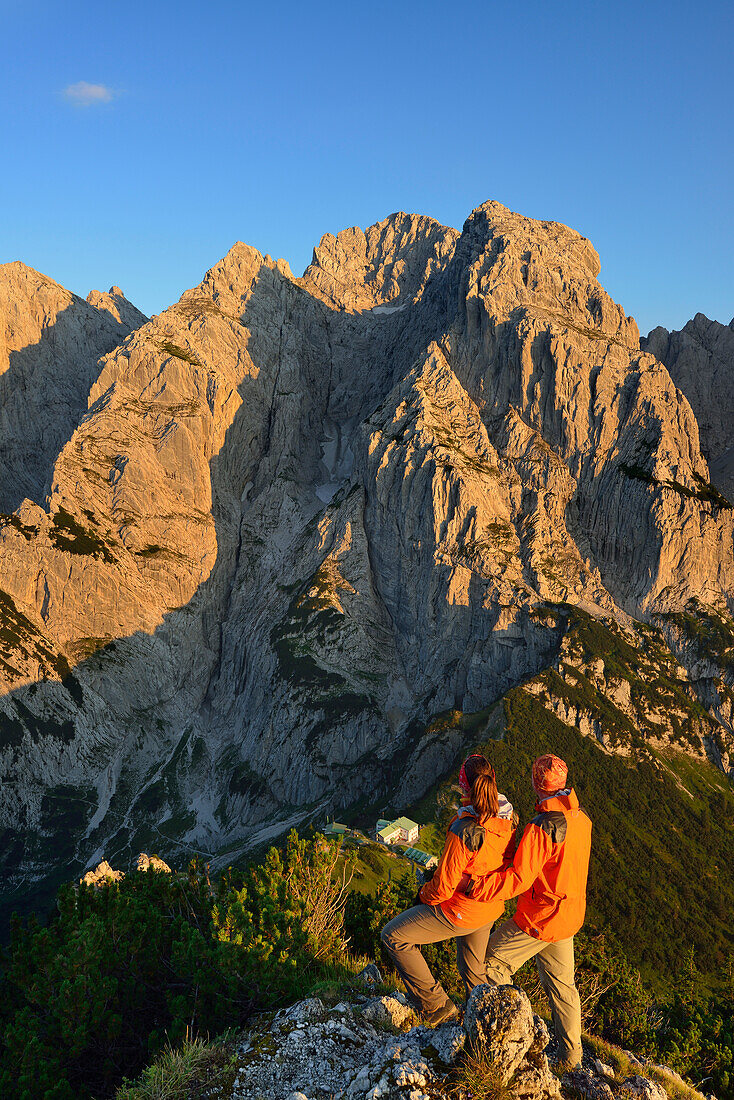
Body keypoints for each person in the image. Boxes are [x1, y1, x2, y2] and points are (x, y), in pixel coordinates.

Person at [468, 753, 592, 1069]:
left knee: (488, 964)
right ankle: (571, 1057)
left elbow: (519, 879)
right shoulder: (581, 819)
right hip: (569, 915)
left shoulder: (542, 828)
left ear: (537, 783)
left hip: (540, 918)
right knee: (563, 987)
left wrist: (479, 888)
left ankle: (500, 1038)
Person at [381, 754, 515, 1026]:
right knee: (473, 969)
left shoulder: (465, 829)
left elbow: (443, 887)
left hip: (461, 910)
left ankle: (436, 1006)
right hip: (489, 907)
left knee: (394, 936)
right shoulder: (508, 818)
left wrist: (421, 896)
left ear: (464, 787)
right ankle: (485, 1019)